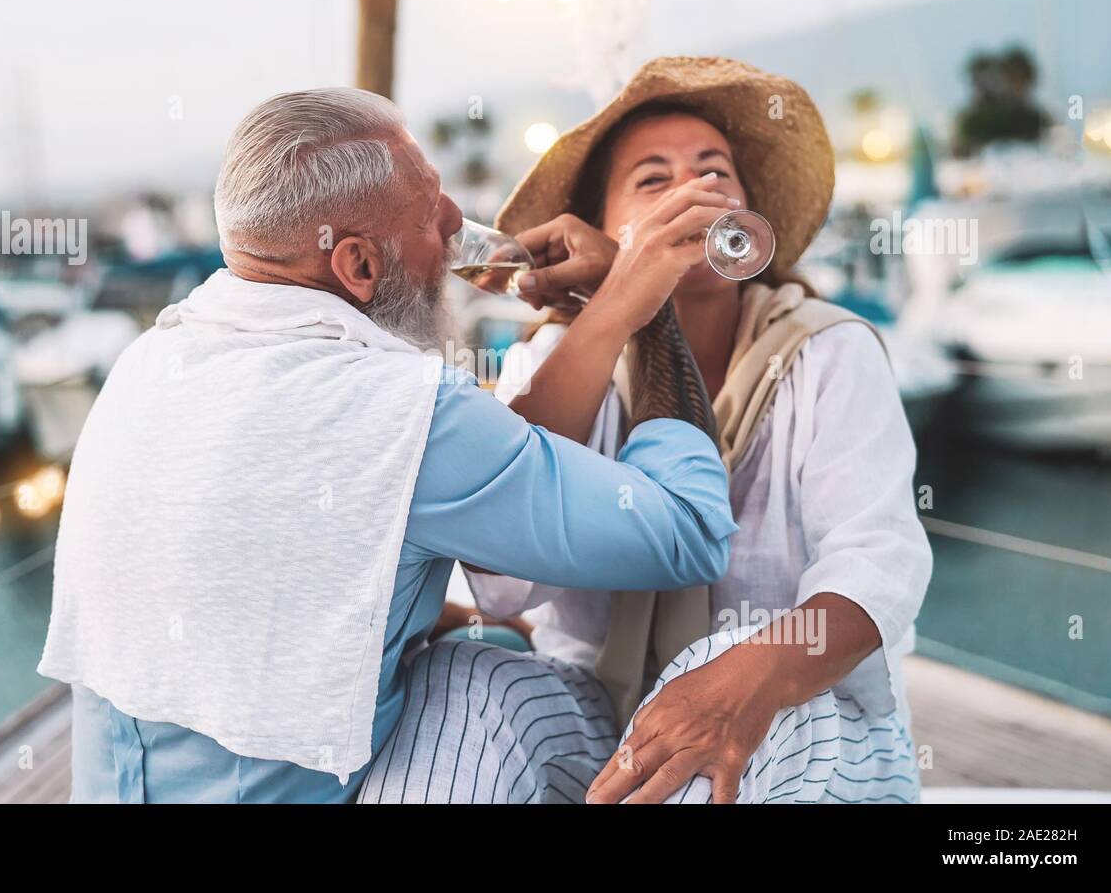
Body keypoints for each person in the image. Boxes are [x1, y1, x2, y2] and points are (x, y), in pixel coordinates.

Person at [36, 87, 736, 802]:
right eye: (432, 212)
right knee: (495, 681)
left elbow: (477, 470)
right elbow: (690, 530)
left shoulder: (153, 359)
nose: (458, 221)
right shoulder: (402, 409)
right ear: (359, 268)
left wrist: (608, 310)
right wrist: (648, 310)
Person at [360, 57, 932, 804]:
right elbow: (498, 582)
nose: (694, 192)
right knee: (463, 680)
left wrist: (738, 681)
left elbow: (877, 567)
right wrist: (619, 309)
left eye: (715, 172)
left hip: (801, 716)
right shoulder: (553, 359)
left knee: (719, 701)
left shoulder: (830, 351)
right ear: (602, 235)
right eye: (654, 179)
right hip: (610, 716)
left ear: (746, 217)